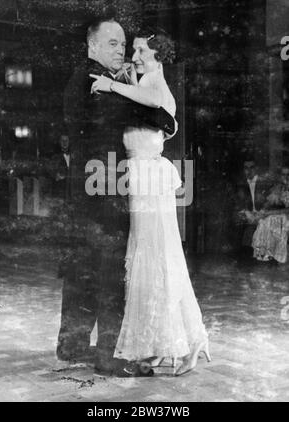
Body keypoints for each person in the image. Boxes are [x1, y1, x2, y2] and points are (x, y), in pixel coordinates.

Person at [56, 17, 177, 375]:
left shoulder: (85, 78)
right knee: (110, 273)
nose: (121, 50)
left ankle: (72, 344)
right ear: (92, 46)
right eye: (112, 43)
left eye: (123, 45)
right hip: (103, 192)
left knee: (82, 271)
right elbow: (138, 112)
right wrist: (164, 118)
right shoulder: (95, 82)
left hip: (86, 193)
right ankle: (110, 356)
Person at [90, 30, 210, 376]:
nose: (135, 54)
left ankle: (184, 340)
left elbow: (154, 103)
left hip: (148, 179)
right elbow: (145, 105)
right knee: (151, 255)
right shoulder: (144, 84)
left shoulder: (155, 84)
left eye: (141, 50)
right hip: (141, 177)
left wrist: (111, 85)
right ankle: (165, 343)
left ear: (158, 56)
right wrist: (122, 81)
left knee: (156, 256)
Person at [233, 158, 270, 260]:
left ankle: (261, 257)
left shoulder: (265, 182)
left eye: (252, 167)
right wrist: (246, 212)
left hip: (262, 213)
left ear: (256, 169)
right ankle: (243, 257)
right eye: (246, 168)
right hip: (248, 214)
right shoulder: (240, 183)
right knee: (238, 221)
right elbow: (237, 201)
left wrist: (262, 211)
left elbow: (269, 200)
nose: (249, 170)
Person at [252, 166, 289, 263]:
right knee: (264, 220)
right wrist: (263, 211)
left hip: (286, 215)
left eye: (288, 174)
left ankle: (278, 255)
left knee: (274, 219)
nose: (286, 177)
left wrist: (269, 213)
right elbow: (270, 203)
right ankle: (266, 254)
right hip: (280, 215)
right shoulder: (278, 187)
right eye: (283, 174)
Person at [51, 132, 73, 201]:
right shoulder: (55, 156)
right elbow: (51, 169)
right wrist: (56, 175)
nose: (64, 142)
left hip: (72, 191)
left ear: (69, 142)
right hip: (60, 191)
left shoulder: (74, 155)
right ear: (59, 142)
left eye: (66, 140)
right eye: (62, 140)